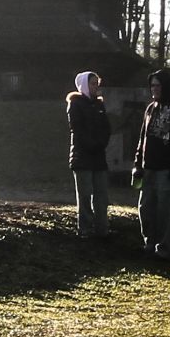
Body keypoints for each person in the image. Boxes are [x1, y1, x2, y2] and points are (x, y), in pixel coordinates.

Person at [132, 69, 170, 259]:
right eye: (152, 85)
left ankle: (164, 248)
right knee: (145, 208)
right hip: (148, 168)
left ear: (165, 86)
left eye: (157, 85)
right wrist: (137, 164)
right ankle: (149, 242)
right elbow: (142, 138)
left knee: (166, 210)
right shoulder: (150, 108)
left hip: (167, 169)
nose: (154, 89)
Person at [67, 71, 111, 238]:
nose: (95, 87)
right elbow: (77, 129)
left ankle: (102, 228)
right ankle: (85, 228)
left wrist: (101, 143)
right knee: (85, 195)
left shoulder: (99, 105)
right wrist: (92, 144)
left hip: (98, 155)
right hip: (82, 156)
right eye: (93, 84)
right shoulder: (75, 104)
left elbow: (106, 128)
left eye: (96, 84)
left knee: (101, 195)